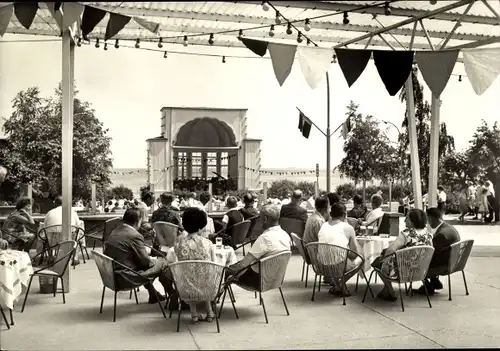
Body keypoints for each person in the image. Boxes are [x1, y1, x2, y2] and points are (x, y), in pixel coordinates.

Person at [104, 208, 180, 308]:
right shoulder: (134, 235)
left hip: (112, 276)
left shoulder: (115, 230)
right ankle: (173, 296)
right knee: (164, 262)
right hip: (126, 277)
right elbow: (145, 263)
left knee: (154, 263)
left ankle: (154, 294)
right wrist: (155, 260)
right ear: (138, 221)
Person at [165, 207, 215, 323]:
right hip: (208, 288)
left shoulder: (178, 245)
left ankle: (194, 314)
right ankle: (210, 312)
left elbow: (173, 263)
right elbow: (213, 265)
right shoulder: (208, 243)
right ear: (202, 225)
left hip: (184, 289)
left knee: (189, 275)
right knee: (205, 276)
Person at [371, 209, 433, 301]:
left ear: (413, 221)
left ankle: (391, 291)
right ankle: (386, 290)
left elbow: (391, 249)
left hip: (403, 271)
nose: (404, 220)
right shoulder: (428, 235)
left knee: (378, 262)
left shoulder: (406, 234)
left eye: (407, 218)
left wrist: (383, 256)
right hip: (420, 270)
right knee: (384, 260)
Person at [226, 204, 291, 289]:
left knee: (222, 272)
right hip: (277, 279)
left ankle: (211, 300)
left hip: (259, 281)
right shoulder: (285, 235)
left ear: (265, 219)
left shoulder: (265, 238)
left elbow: (243, 264)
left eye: (259, 217)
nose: (258, 220)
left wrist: (228, 269)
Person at [318, 203, 362, 296]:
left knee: (335, 256)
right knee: (361, 258)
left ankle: (338, 286)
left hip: (321, 266)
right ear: (344, 215)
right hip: (337, 266)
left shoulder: (323, 225)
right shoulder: (348, 228)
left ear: (331, 214)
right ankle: (341, 284)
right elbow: (354, 255)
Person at [415, 207, 461, 295]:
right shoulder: (449, 228)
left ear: (431, 218)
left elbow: (430, 252)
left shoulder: (441, 235)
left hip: (445, 265)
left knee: (418, 261)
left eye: (428, 220)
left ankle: (428, 286)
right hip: (453, 261)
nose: (427, 223)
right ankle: (434, 281)